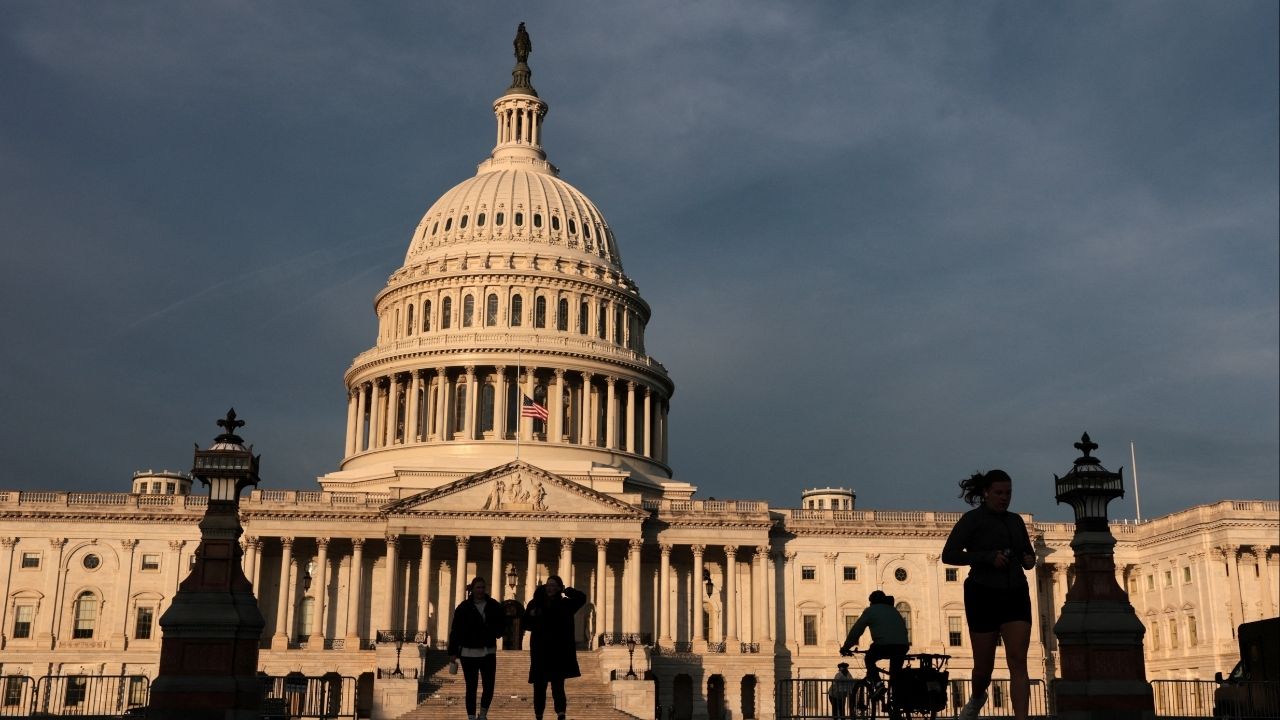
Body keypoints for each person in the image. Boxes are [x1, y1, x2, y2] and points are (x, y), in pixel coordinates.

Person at [942, 469, 1036, 720]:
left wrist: (1029, 559)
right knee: (984, 667)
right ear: (985, 493)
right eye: (999, 493)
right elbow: (949, 554)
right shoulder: (972, 520)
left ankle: (1021, 718)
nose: (1004, 497)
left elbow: (1028, 555)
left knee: (1018, 660)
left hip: (1015, 592)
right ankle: (977, 697)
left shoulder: (1016, 521)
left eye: (1008, 493)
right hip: (982, 593)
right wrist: (985, 557)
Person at [523, 575, 587, 720]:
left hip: (559, 650)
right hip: (541, 650)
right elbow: (525, 624)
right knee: (539, 686)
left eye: (554, 585)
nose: (550, 588)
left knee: (558, 686)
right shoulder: (535, 603)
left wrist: (567, 590)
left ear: (559, 588)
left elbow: (582, 598)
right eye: (548, 585)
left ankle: (561, 713)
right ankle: (538, 714)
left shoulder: (565, 604)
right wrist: (531, 615)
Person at [448, 577, 507, 720]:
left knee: (489, 686)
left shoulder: (493, 605)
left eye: (482, 587)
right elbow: (455, 630)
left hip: (488, 651)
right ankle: (471, 717)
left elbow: (502, 622)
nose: (480, 590)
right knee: (471, 687)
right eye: (478, 588)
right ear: (472, 589)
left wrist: (497, 632)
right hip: (469, 652)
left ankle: (483, 714)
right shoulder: (463, 607)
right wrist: (453, 652)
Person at [839, 590, 910, 687]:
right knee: (895, 674)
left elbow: (856, 631)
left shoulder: (870, 611)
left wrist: (846, 647)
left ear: (872, 601)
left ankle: (878, 683)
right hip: (903, 646)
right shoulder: (893, 610)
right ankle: (896, 698)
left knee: (869, 658)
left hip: (884, 645)